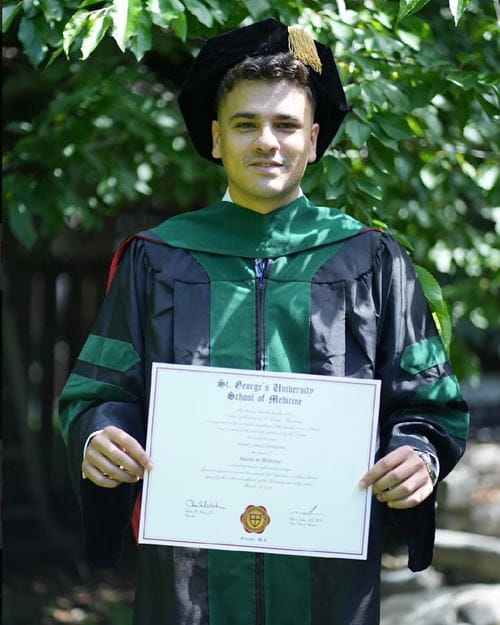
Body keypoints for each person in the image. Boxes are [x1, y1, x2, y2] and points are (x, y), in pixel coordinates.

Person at [59, 18, 469, 625]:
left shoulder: (370, 259)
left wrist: (418, 454)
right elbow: (101, 391)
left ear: (313, 139)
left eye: (286, 125)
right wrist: (99, 436)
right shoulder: (159, 257)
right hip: (188, 573)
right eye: (247, 125)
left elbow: (428, 403)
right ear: (218, 138)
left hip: (327, 573)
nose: (267, 143)